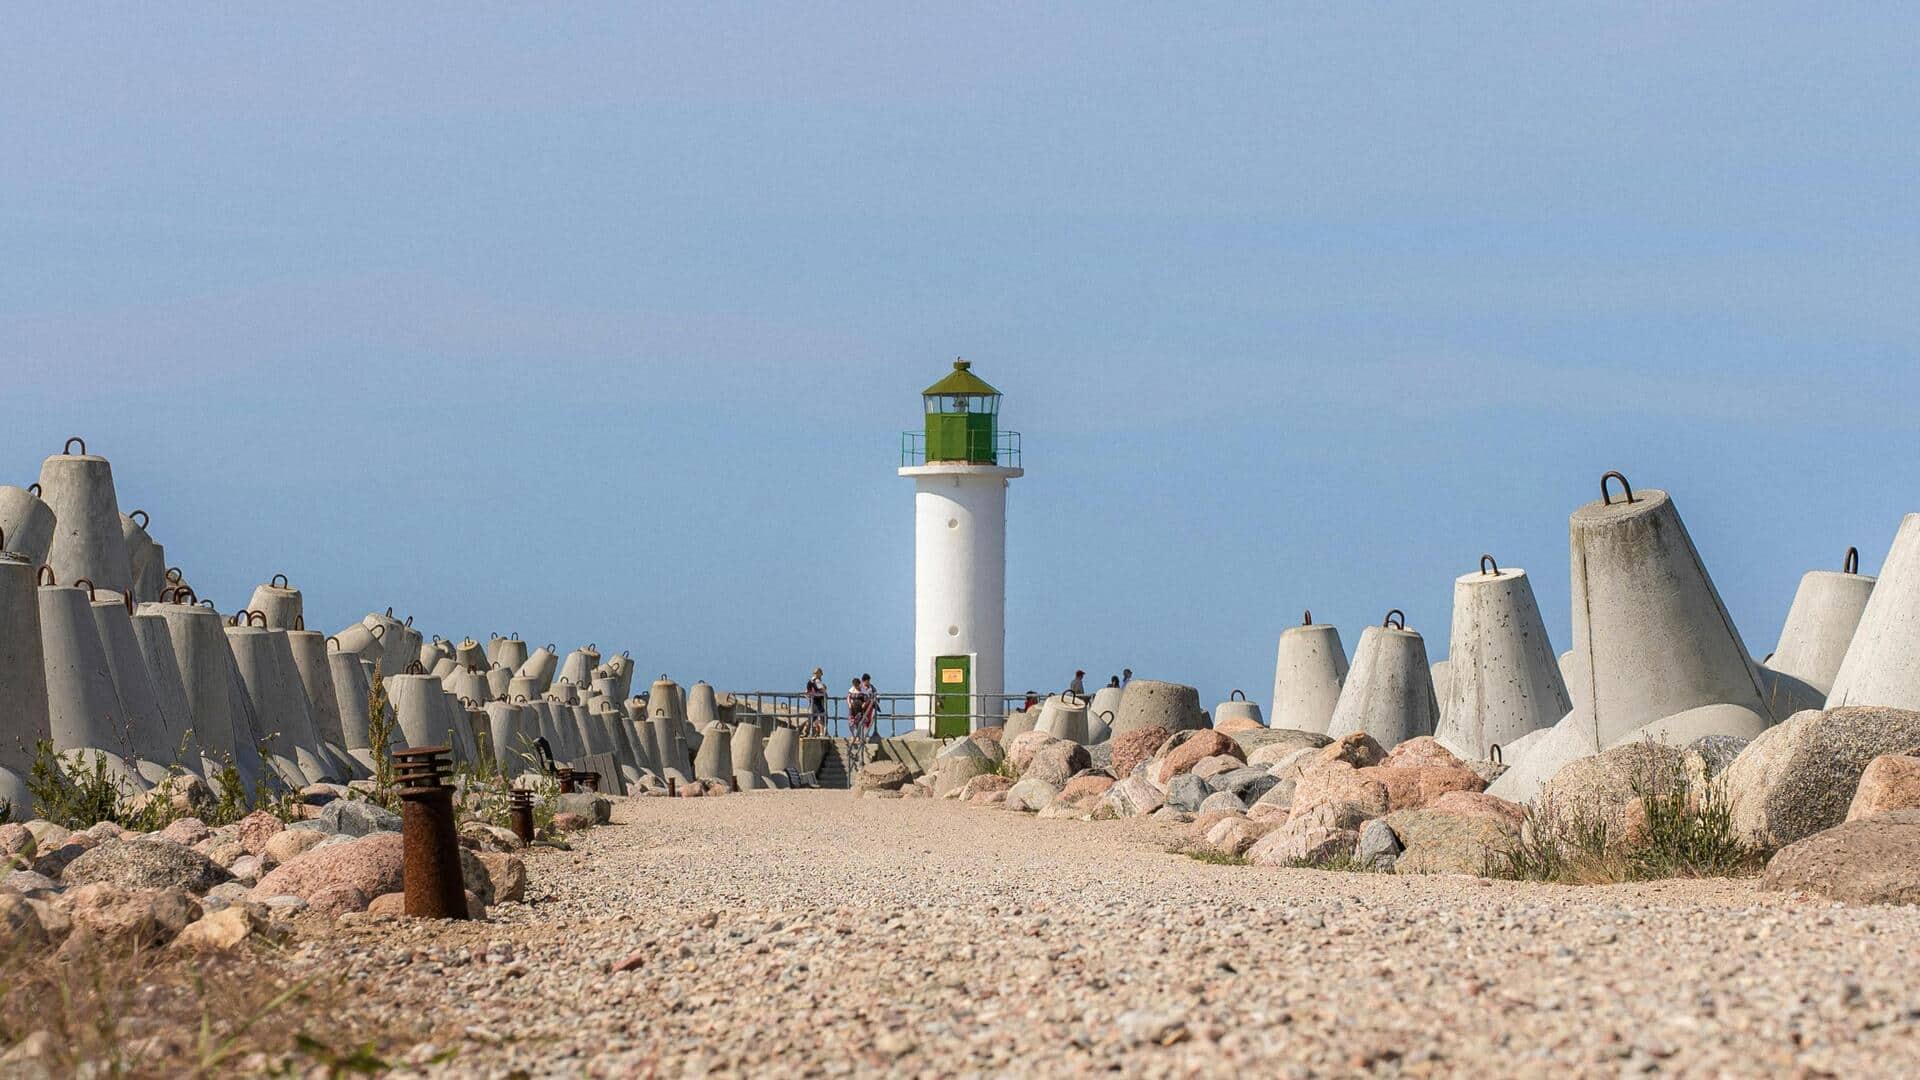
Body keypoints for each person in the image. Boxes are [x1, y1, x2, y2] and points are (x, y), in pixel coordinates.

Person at [805, 668, 827, 737]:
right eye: (820, 673)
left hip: (813, 701)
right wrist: (824, 690)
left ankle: (806, 732)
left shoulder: (810, 681)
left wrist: (809, 698)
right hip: (818, 701)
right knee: (822, 716)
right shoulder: (816, 681)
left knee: (811, 718)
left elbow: (806, 692)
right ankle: (822, 734)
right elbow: (822, 690)